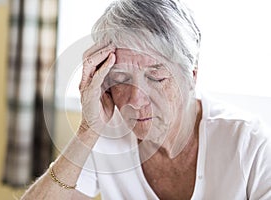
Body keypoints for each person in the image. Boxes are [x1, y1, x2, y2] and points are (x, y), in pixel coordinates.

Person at [21, 0, 271, 199]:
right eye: (120, 79)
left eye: (156, 77)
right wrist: (88, 130)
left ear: (191, 76)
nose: (136, 100)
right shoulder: (107, 136)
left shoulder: (249, 144)